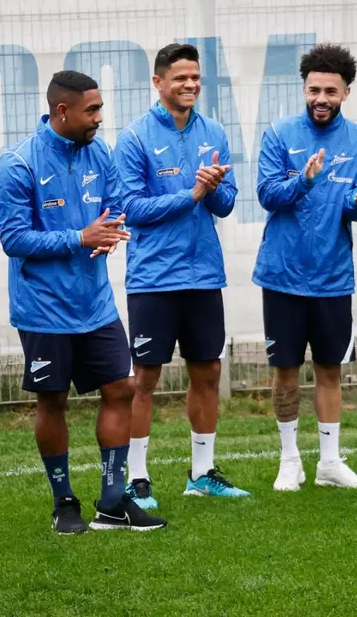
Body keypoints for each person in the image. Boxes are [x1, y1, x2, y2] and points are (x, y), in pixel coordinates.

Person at [0, 70, 168, 534]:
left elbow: (116, 205)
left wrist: (109, 230)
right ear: (62, 111)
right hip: (43, 308)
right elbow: (14, 239)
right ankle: (63, 501)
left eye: (100, 108)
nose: (99, 118)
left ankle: (112, 501)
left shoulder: (99, 152)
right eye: (92, 110)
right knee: (53, 401)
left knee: (121, 389)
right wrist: (80, 237)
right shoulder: (18, 164)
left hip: (96, 304)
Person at [113, 43, 250, 510]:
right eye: (181, 79)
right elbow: (130, 208)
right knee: (144, 379)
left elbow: (226, 204)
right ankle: (137, 479)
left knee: (208, 372)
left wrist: (212, 189)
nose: (190, 85)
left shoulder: (214, 131)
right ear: (158, 83)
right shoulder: (134, 137)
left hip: (204, 275)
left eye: (195, 78)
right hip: (154, 278)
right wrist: (190, 194)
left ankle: (202, 473)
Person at [252, 43, 357, 492]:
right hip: (282, 274)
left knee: (329, 369)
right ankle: (290, 461)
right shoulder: (278, 134)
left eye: (330, 91)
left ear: (345, 92)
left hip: (332, 276)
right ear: (304, 89)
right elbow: (267, 194)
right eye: (314, 90)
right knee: (285, 371)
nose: (321, 98)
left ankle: (329, 462)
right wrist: (303, 182)